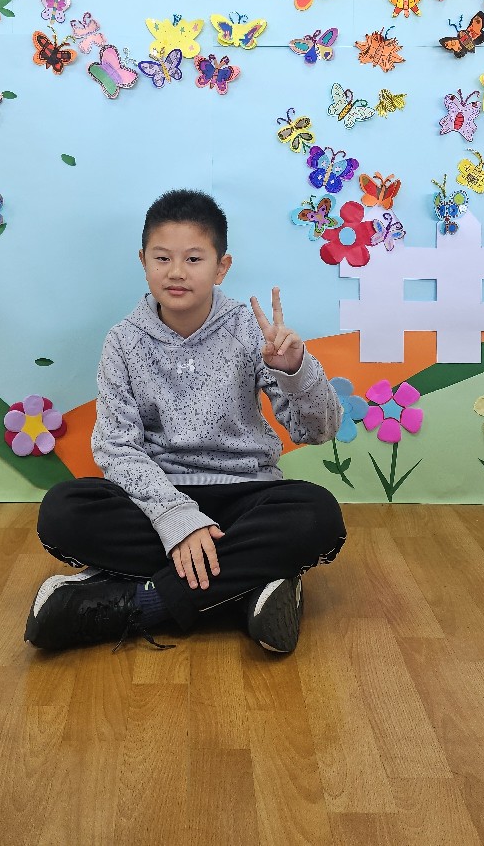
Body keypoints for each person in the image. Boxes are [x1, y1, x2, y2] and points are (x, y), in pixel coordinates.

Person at [25, 189, 347, 655]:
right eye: (162, 258)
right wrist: (175, 517)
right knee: (63, 510)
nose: (176, 272)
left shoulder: (250, 331)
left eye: (194, 259)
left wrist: (295, 371)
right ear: (143, 261)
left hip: (245, 497)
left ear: (221, 267)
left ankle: (140, 602)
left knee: (317, 513)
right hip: (156, 499)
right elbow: (116, 447)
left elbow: (317, 430)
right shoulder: (123, 341)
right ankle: (246, 589)